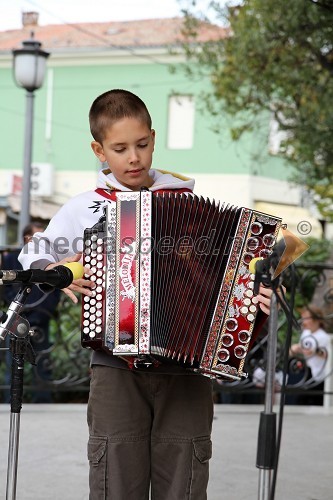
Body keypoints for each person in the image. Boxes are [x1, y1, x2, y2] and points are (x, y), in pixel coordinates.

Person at [19, 89, 275, 499]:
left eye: (141, 144)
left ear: (153, 139)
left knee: (184, 483)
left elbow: (236, 275)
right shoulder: (85, 207)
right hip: (115, 367)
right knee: (114, 479)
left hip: (186, 369)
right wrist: (57, 273)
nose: (133, 157)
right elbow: (33, 250)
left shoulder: (188, 203)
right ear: (99, 150)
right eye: (120, 149)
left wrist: (256, 295)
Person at [2, 222, 61, 403]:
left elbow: (55, 291)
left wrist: (41, 313)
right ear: (27, 238)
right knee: (12, 363)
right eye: (36, 237)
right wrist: (20, 309)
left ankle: (43, 401)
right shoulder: (11, 258)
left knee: (42, 364)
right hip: (17, 319)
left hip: (41, 319)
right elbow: (7, 287)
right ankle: (8, 401)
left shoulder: (51, 260)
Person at [289, 305, 330, 405]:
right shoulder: (306, 333)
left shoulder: (323, 336)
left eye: (307, 319)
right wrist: (297, 348)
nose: (304, 321)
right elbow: (303, 348)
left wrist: (314, 351)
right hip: (307, 371)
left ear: (317, 320)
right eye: (303, 318)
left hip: (319, 375)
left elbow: (327, 354)